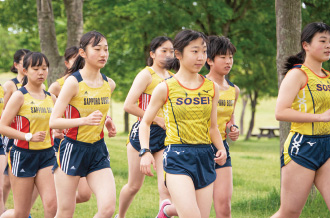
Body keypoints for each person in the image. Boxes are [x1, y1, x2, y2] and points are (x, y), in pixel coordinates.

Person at [139, 29, 227, 218]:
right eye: (194, 51)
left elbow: (212, 126)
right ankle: (168, 209)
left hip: (205, 156)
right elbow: (145, 123)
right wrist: (145, 152)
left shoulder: (212, 87)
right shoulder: (165, 87)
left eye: (204, 51)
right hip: (177, 156)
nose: (201, 57)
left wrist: (221, 148)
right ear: (178, 54)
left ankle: (167, 211)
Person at [49, 30, 116, 218]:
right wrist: (84, 121)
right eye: (97, 49)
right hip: (72, 149)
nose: (103, 54)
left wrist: (107, 122)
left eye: (106, 49)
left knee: (108, 209)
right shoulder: (73, 82)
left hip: (98, 150)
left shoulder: (109, 84)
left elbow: (101, 112)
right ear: (83, 53)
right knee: (65, 212)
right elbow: (54, 121)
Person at [271, 22, 330, 218]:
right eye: (323, 41)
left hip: (327, 146)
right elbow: (280, 112)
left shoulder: (328, 77)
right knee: (289, 213)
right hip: (302, 147)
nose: (328, 45)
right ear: (306, 45)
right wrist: (319, 117)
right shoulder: (297, 74)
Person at [115, 36, 174, 218]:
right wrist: (156, 119)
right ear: (152, 54)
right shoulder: (146, 75)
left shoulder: (173, 78)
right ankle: (120, 215)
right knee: (134, 186)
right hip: (143, 133)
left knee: (165, 187)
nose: (168, 55)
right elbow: (128, 105)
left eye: (171, 51)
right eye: (163, 51)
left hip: (165, 136)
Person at [0, 52, 57, 218]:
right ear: (25, 71)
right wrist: (28, 136)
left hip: (47, 154)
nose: (41, 72)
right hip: (23, 154)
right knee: (22, 213)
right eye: (36, 68)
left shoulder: (51, 98)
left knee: (52, 205)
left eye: (44, 68)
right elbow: (2, 126)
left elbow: (55, 125)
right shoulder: (19, 96)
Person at [205, 35, 240, 218]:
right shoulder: (200, 86)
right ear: (209, 60)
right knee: (197, 207)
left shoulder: (234, 90)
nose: (228, 62)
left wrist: (233, 129)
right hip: (198, 146)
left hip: (221, 147)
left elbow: (230, 118)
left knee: (224, 205)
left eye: (231, 57)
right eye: (223, 57)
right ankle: (167, 211)